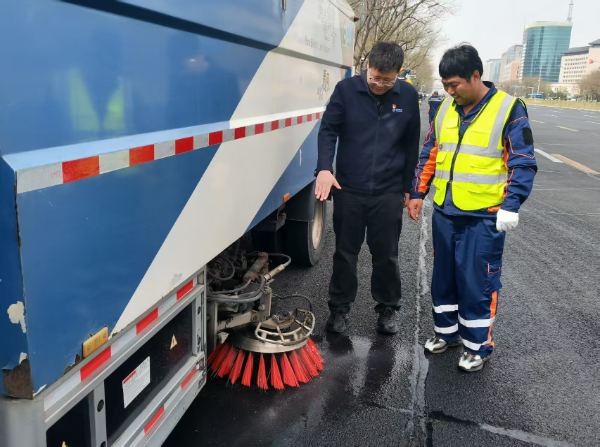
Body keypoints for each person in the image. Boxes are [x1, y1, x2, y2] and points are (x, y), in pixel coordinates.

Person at [407, 44, 537, 372]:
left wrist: (511, 205)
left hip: (484, 216)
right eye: (445, 85)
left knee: (478, 282)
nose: (450, 92)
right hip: (446, 211)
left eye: (455, 85)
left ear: (476, 76)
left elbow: (522, 161)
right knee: (444, 278)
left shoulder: (508, 109)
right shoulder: (445, 109)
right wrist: (418, 191)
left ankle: (477, 346)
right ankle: (446, 333)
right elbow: (430, 152)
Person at [315, 42, 420, 335]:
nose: (380, 85)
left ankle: (387, 310)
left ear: (398, 74)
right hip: (349, 188)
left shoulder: (408, 95)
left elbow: (411, 144)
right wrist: (324, 168)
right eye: (375, 78)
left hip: (388, 191)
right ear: (367, 68)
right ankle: (339, 310)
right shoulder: (346, 90)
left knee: (386, 255)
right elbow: (328, 130)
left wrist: (410, 187)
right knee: (345, 254)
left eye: (387, 80)